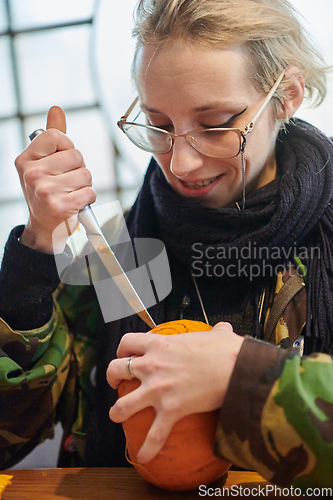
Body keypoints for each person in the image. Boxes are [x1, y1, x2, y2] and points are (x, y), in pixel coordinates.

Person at [0, 0, 332, 489]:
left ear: (286, 96)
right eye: (158, 126)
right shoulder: (124, 248)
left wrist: (244, 378)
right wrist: (37, 245)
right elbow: (13, 434)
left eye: (216, 124)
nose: (180, 164)